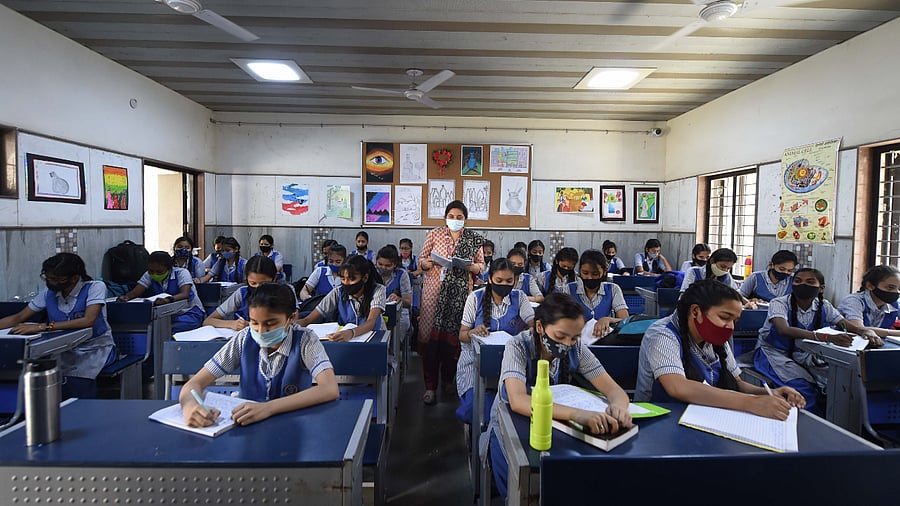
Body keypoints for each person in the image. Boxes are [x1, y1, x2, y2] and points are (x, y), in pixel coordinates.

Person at [489, 293, 633, 499]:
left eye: (574, 337)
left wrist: (619, 406)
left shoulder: (576, 348)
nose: (567, 343)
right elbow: (518, 401)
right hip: (512, 427)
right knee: (521, 492)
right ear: (540, 327)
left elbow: (613, 389)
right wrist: (579, 414)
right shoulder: (518, 346)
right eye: (560, 337)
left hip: (555, 424)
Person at [635, 279, 805, 417]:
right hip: (662, 420)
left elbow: (736, 384)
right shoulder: (662, 335)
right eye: (725, 317)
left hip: (705, 415)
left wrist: (768, 393)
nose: (730, 326)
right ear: (696, 312)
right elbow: (678, 387)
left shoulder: (715, 337)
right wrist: (750, 402)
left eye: (735, 321)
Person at [179, 283, 339, 427]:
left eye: (271, 324)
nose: (261, 331)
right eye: (254, 322)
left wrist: (268, 408)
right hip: (246, 426)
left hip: (292, 426)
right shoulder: (243, 338)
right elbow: (193, 384)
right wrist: (190, 407)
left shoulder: (305, 340)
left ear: (291, 317)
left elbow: (329, 388)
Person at [753, 268, 880, 411]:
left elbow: (843, 323)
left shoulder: (824, 305)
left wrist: (864, 331)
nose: (803, 285)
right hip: (775, 354)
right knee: (803, 387)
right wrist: (824, 337)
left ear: (821, 288)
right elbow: (784, 329)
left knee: (836, 384)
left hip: (804, 354)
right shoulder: (780, 303)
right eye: (798, 281)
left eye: (810, 282)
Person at [0, 253, 116, 399]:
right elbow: (19, 317)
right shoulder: (49, 293)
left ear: (74, 278)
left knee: (77, 381)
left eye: (55, 279)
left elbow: (87, 321)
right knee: (40, 376)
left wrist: (43, 327)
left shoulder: (95, 287)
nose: (50, 282)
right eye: (47, 278)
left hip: (94, 348)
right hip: (63, 348)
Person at [417, 200, 486, 405]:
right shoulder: (434, 234)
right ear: (446, 217)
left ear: (465, 219)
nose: (455, 220)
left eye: (459, 217)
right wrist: (426, 263)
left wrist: (472, 267)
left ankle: (448, 380)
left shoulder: (473, 239)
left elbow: (481, 266)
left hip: (459, 296)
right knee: (430, 339)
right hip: (433, 293)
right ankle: (430, 386)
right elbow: (421, 260)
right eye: (452, 216)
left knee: (454, 339)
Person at [456, 258, 535, 424]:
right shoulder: (475, 298)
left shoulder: (519, 297)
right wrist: (472, 332)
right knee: (476, 408)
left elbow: (533, 325)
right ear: (490, 278)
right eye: (499, 280)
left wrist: (525, 333)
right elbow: (462, 335)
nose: (504, 284)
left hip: (511, 361)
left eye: (509, 281)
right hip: (474, 361)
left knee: (510, 409)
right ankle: (478, 442)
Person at [298, 255, 386, 341]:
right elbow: (309, 319)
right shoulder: (338, 292)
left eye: (352, 279)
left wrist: (351, 333)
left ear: (365, 278)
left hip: (374, 339)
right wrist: (292, 325)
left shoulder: (378, 290)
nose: (346, 283)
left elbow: (371, 322)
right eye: (343, 278)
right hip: (347, 341)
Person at [118, 251, 206, 333]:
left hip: (190, 312)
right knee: (153, 329)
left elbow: (185, 294)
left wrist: (168, 300)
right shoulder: (149, 275)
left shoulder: (181, 273)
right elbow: (136, 292)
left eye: (159, 272)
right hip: (166, 314)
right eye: (151, 271)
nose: (154, 274)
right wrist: (127, 297)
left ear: (169, 268)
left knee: (166, 331)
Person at [204, 256, 278, 331]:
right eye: (253, 283)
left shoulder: (284, 294)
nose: (258, 288)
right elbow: (208, 321)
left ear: (274, 279)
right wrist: (232, 324)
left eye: (263, 283)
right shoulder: (242, 293)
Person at [567, 249, 628, 338]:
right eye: (585, 273)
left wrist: (608, 320)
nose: (590, 277)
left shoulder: (613, 289)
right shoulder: (568, 289)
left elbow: (625, 320)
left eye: (595, 274)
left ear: (604, 272)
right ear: (580, 271)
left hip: (605, 341)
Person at [838, 265, 900, 338]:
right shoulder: (853, 301)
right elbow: (859, 329)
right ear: (870, 285)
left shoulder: (893, 305)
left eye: (899, 288)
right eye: (890, 287)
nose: (896, 292)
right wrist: (894, 333)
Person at [374, 245, 413, 346]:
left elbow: (408, 302)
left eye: (387, 266)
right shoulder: (372, 273)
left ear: (395, 265)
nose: (383, 268)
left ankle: (393, 352)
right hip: (375, 311)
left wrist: (399, 299)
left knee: (401, 324)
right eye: (380, 264)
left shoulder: (402, 274)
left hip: (398, 313)